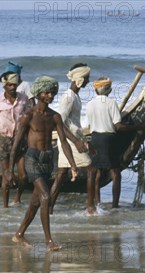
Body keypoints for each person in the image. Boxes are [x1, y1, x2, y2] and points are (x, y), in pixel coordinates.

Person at [5, 76, 78, 251]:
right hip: (32, 159)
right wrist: (9, 170)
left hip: (47, 160)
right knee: (46, 196)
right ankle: (49, 241)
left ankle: (19, 234)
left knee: (36, 202)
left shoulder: (55, 117)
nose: (50, 95)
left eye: (52, 92)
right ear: (38, 94)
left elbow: (64, 141)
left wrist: (73, 165)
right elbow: (16, 145)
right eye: (47, 92)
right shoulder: (28, 116)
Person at [87, 76, 145, 208]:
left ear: (96, 91)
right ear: (108, 90)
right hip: (108, 139)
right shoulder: (111, 103)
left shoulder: (89, 104)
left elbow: (90, 126)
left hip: (95, 138)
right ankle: (115, 205)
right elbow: (119, 126)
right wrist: (138, 127)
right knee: (115, 173)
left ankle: (97, 202)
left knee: (97, 172)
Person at [50, 63, 96, 215]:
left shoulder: (74, 96)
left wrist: (83, 140)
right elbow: (60, 122)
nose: (89, 81)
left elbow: (73, 123)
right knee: (91, 170)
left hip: (73, 138)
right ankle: (90, 208)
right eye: (87, 78)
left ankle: (49, 207)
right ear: (80, 79)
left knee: (61, 174)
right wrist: (76, 142)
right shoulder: (69, 97)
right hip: (69, 140)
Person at [0, 71, 30, 208]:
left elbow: (29, 117)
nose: (13, 88)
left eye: (15, 85)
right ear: (4, 86)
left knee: (23, 176)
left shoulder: (24, 99)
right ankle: (5, 206)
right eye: (10, 85)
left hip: (20, 140)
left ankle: (17, 198)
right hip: (4, 139)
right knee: (7, 175)